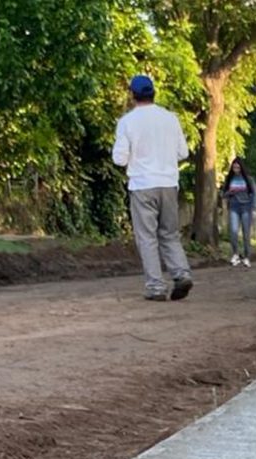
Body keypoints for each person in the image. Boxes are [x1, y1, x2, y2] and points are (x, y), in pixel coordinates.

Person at [112, 75, 193, 301]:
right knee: (169, 234)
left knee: (147, 237)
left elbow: (119, 158)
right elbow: (183, 153)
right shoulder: (170, 118)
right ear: (153, 93)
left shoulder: (127, 122)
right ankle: (181, 273)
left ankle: (156, 287)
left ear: (132, 94)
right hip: (168, 183)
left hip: (142, 185)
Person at [220, 157, 256, 268]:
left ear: (241, 168)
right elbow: (222, 194)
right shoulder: (230, 179)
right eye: (234, 167)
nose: (236, 169)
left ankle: (247, 257)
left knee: (246, 233)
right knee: (233, 231)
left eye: (238, 167)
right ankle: (235, 254)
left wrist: (254, 208)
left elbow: (255, 193)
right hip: (233, 207)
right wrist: (229, 192)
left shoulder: (248, 179)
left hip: (246, 207)